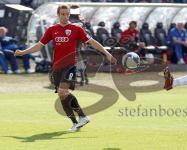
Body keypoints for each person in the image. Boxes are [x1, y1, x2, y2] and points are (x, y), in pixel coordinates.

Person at [15, 4, 117, 132]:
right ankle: (75, 123)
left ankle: (83, 117)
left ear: (70, 14)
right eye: (62, 14)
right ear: (58, 14)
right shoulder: (52, 29)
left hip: (70, 65)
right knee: (62, 96)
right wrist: (23, 52)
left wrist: (106, 53)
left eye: (67, 14)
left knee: (63, 91)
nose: (65, 16)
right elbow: (39, 45)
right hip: (57, 67)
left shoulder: (76, 29)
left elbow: (92, 42)